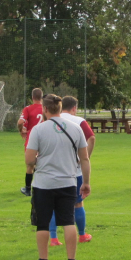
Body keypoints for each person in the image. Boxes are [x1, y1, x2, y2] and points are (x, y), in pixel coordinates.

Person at [26, 94, 91, 260]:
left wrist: (39, 159)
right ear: (60, 108)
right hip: (68, 181)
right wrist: (86, 182)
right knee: (68, 221)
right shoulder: (75, 128)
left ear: (44, 109)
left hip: (44, 183)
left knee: (43, 223)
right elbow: (84, 158)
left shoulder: (38, 130)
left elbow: (29, 159)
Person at [47, 96, 96, 246]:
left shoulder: (51, 121)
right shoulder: (79, 121)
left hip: (54, 169)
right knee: (77, 204)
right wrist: (84, 157)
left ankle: (54, 238)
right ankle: (82, 235)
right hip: (74, 171)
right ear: (74, 107)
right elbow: (91, 138)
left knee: (53, 205)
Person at [17, 88, 45, 196]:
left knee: (30, 164)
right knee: (43, 163)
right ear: (41, 98)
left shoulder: (28, 109)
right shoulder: (46, 108)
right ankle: (41, 188)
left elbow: (20, 122)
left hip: (32, 140)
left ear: (32, 97)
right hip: (45, 139)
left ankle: (28, 189)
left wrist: (21, 129)